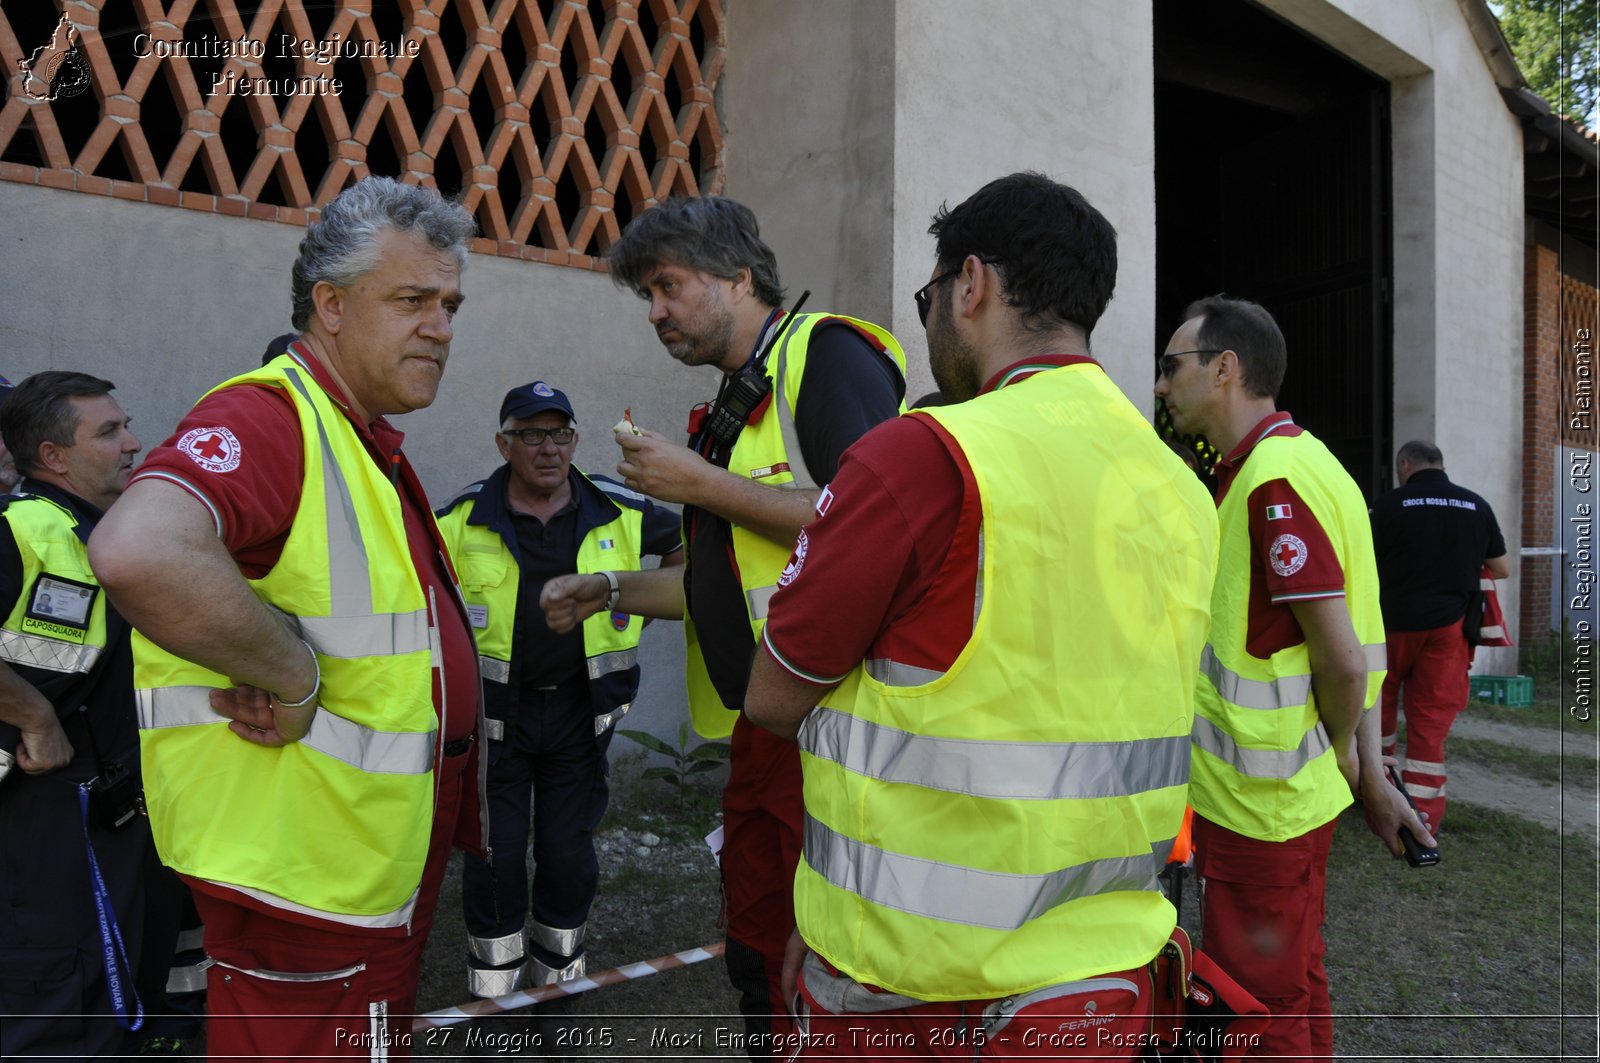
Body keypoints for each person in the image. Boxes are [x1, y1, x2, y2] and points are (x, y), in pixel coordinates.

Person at [738, 171, 1219, 1057]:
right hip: (1104, 977)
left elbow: (772, 694)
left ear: (972, 284)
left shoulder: (925, 455)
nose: (929, 320)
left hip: (916, 988)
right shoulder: (1181, 490)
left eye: (930, 296)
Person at [88, 176, 485, 1060]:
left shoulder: (355, 434)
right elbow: (138, 549)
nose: (442, 327)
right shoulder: (273, 416)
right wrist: (293, 670)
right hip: (303, 884)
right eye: (413, 299)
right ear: (331, 306)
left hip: (349, 869)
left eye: (451, 304)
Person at [541, 194, 907, 1046]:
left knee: (815, 971)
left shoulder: (829, 356)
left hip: (831, 734)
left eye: (667, 286)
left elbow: (871, 519)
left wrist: (698, 484)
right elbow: (719, 581)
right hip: (761, 735)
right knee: (758, 959)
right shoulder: (732, 409)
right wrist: (607, 590)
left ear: (739, 276)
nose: (657, 312)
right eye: (648, 296)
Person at [1154, 294, 1434, 1058]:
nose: (1160, 384)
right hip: (1297, 797)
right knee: (1298, 983)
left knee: (1255, 1003)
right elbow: (1355, 652)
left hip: (1261, 806)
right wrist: (1363, 770)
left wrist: (1353, 754)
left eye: (1172, 365)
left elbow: (1343, 659)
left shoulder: (1272, 481)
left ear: (1224, 368)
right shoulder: (1312, 463)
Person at [434, 381, 682, 1009]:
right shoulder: (460, 521)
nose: (549, 449)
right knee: (496, 859)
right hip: (499, 726)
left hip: (580, 717)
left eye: (561, 433)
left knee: (569, 857)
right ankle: (494, 1005)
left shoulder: (618, 507)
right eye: (532, 435)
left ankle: (557, 994)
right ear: (504, 444)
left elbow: (690, 554)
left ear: (575, 439)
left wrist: (636, 600)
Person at [0, 371, 147, 1057]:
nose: (132, 442)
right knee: (53, 1002)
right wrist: (32, 714)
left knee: (101, 993)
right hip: (35, 816)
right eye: (110, 431)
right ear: (54, 456)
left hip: (102, 808)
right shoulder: (23, 530)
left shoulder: (103, 532)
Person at [1370, 439, 1511, 830]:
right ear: (1440, 465)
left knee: (1377, 716)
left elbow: (1359, 563)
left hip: (1390, 628)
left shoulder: (1387, 506)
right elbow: (1500, 568)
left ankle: (1378, 798)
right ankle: (1423, 816)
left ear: (1404, 465)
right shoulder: (1475, 505)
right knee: (1429, 724)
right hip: (1448, 630)